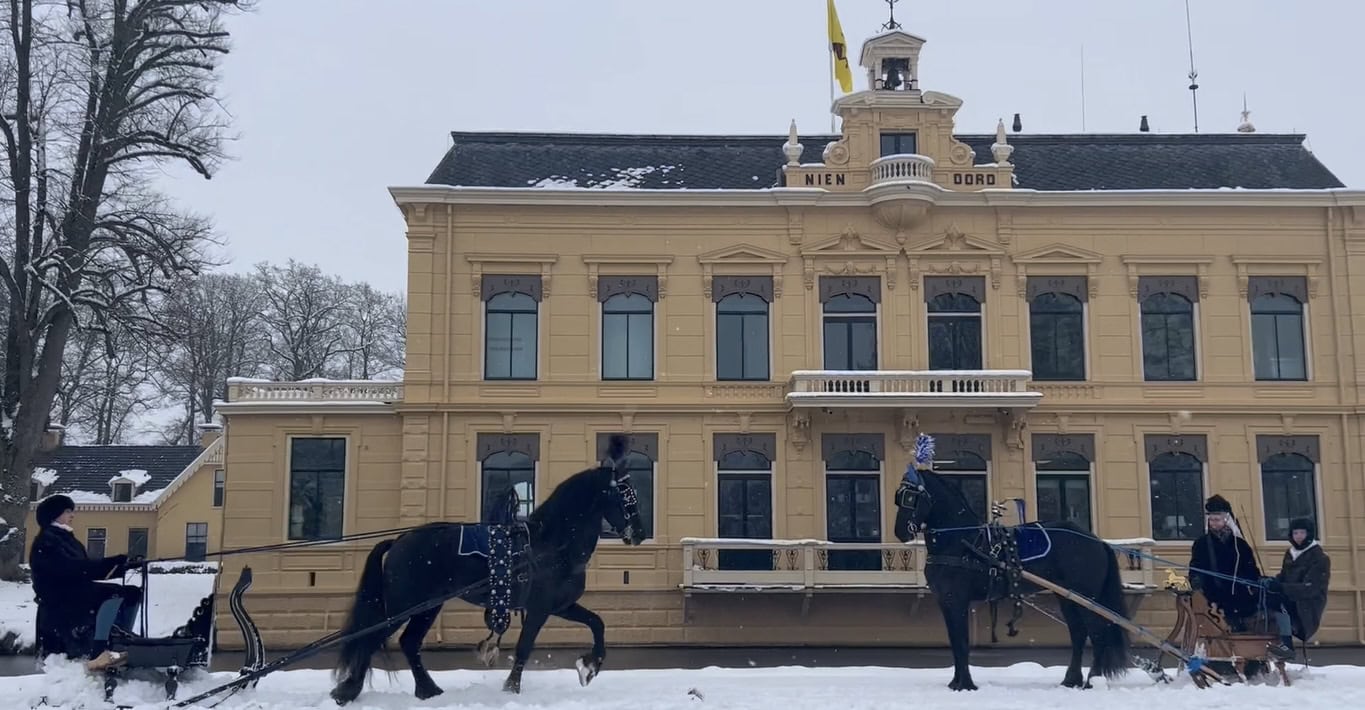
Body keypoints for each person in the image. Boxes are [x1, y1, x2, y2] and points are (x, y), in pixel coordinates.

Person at [29, 494, 144, 671]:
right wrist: (111, 563)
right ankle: (101, 645)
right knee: (115, 594)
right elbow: (73, 568)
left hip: (75, 591)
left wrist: (122, 566)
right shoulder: (47, 541)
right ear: (55, 514)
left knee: (131, 593)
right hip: (60, 599)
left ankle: (119, 635)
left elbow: (84, 569)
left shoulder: (67, 539)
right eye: (68, 511)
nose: (72, 515)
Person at [1188, 494, 1263, 631]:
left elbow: (1250, 569)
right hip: (1212, 597)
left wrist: (1252, 584)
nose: (1213, 523)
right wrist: (1197, 585)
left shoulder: (1240, 545)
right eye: (1211, 520)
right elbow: (1195, 568)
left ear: (1226, 520)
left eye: (1217, 520)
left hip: (1238, 598)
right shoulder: (1201, 544)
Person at [1262, 517, 1331, 660]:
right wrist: (1271, 581)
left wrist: (1281, 587)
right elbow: (1284, 576)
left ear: (1309, 534)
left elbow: (1311, 588)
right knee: (1266, 598)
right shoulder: (1290, 553)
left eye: (1302, 533)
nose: (1298, 536)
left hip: (1308, 604)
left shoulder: (1320, 557)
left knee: (1278, 601)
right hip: (1291, 596)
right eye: (1295, 533)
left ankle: (1287, 645)